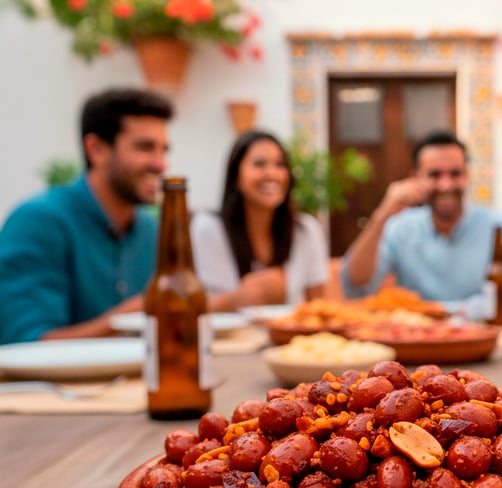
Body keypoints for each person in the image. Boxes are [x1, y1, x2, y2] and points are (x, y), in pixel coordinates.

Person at [0, 87, 173, 345]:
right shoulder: (37, 222)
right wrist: (127, 319)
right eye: (145, 147)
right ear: (96, 149)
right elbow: (25, 344)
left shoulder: (151, 230)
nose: (161, 165)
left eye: (163, 150)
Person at [340, 130, 502, 316]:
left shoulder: (501, 226)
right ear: (416, 177)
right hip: (417, 343)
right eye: (434, 175)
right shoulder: (399, 227)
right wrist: (381, 214)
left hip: (487, 342)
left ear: (467, 176)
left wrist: (456, 311)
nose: (446, 185)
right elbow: (357, 287)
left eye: (455, 174)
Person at [190, 130, 328, 311]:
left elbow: (318, 306)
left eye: (280, 164)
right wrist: (239, 298)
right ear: (235, 176)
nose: (272, 174)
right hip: (227, 338)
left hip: (289, 337)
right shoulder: (207, 228)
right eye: (259, 164)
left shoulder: (307, 230)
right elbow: (190, 308)